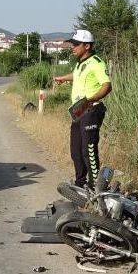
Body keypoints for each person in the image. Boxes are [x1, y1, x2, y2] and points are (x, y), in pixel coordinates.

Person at [53, 30, 112, 190]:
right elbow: (77, 75)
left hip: (91, 109)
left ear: (86, 46)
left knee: (88, 150)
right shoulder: (80, 62)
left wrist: (91, 99)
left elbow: (107, 86)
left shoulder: (97, 62)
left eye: (75, 44)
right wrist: (63, 78)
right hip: (79, 110)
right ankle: (80, 183)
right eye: (72, 43)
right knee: (76, 151)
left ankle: (95, 187)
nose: (72, 47)